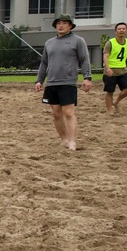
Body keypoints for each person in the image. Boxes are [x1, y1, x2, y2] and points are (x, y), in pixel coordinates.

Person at [35, 14, 92, 150]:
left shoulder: (78, 41)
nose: (61, 25)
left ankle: (73, 141)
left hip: (68, 81)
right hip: (52, 82)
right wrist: (39, 80)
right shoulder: (49, 43)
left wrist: (87, 77)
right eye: (58, 23)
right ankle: (64, 139)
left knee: (68, 112)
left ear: (70, 26)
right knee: (56, 114)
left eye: (64, 23)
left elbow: (84, 59)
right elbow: (44, 63)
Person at [103, 22, 127, 114]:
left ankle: (116, 102)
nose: (121, 30)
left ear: (126, 31)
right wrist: (108, 68)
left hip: (122, 70)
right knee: (110, 92)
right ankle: (109, 110)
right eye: (119, 29)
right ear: (115, 31)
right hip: (111, 70)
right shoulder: (110, 43)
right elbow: (105, 56)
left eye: (123, 29)